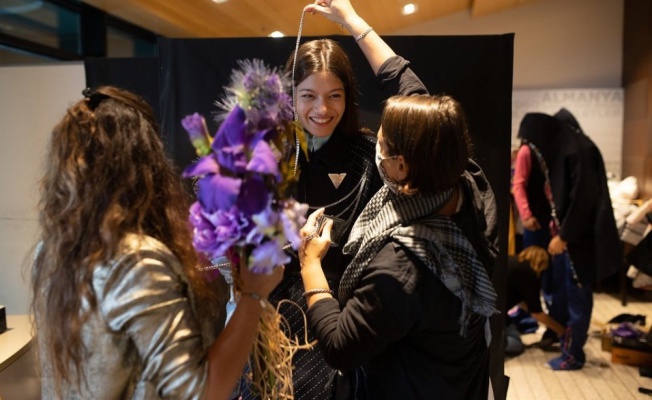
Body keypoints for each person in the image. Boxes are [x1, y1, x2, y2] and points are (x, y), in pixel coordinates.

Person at [31, 86, 283, 399]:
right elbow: (200, 392)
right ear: (145, 162)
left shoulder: (50, 251)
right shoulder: (136, 261)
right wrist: (254, 293)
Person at [237, 1, 429, 399]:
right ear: (290, 96)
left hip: (348, 322)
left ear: (348, 96)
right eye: (308, 95)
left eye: (334, 95)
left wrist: (353, 22)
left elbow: (422, 118)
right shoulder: (265, 156)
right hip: (277, 324)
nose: (322, 109)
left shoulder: (369, 153)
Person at [298, 93, 499, 399]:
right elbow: (433, 118)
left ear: (402, 166)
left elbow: (341, 348)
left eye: (382, 144)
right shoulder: (472, 189)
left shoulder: (401, 269)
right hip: (462, 382)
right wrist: (362, 40)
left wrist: (310, 264)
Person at [517, 109, 622, 370]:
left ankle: (574, 354)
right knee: (567, 292)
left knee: (577, 295)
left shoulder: (577, 150)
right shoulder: (573, 148)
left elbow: (582, 199)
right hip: (574, 239)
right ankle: (568, 346)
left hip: (579, 241)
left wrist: (564, 236)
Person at [504, 245, 566, 356]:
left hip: (485, 311)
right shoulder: (529, 274)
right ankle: (488, 345)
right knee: (516, 345)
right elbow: (537, 313)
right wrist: (561, 331)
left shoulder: (512, 261)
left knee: (513, 330)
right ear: (541, 263)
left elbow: (523, 303)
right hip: (492, 318)